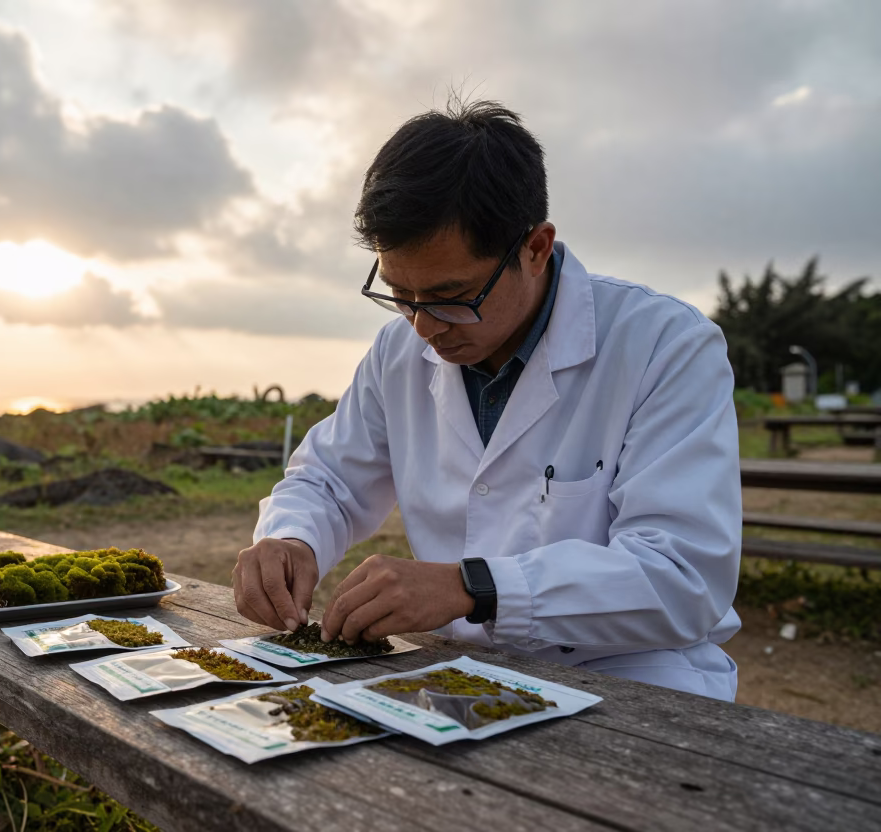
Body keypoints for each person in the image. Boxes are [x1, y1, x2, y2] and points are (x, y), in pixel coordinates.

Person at [231, 100, 741, 700]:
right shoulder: (399, 352)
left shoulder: (663, 344)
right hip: (456, 675)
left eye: (452, 295)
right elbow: (329, 481)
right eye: (400, 293)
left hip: (631, 678)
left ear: (535, 248)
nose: (424, 326)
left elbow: (682, 577)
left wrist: (476, 588)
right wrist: (292, 539)